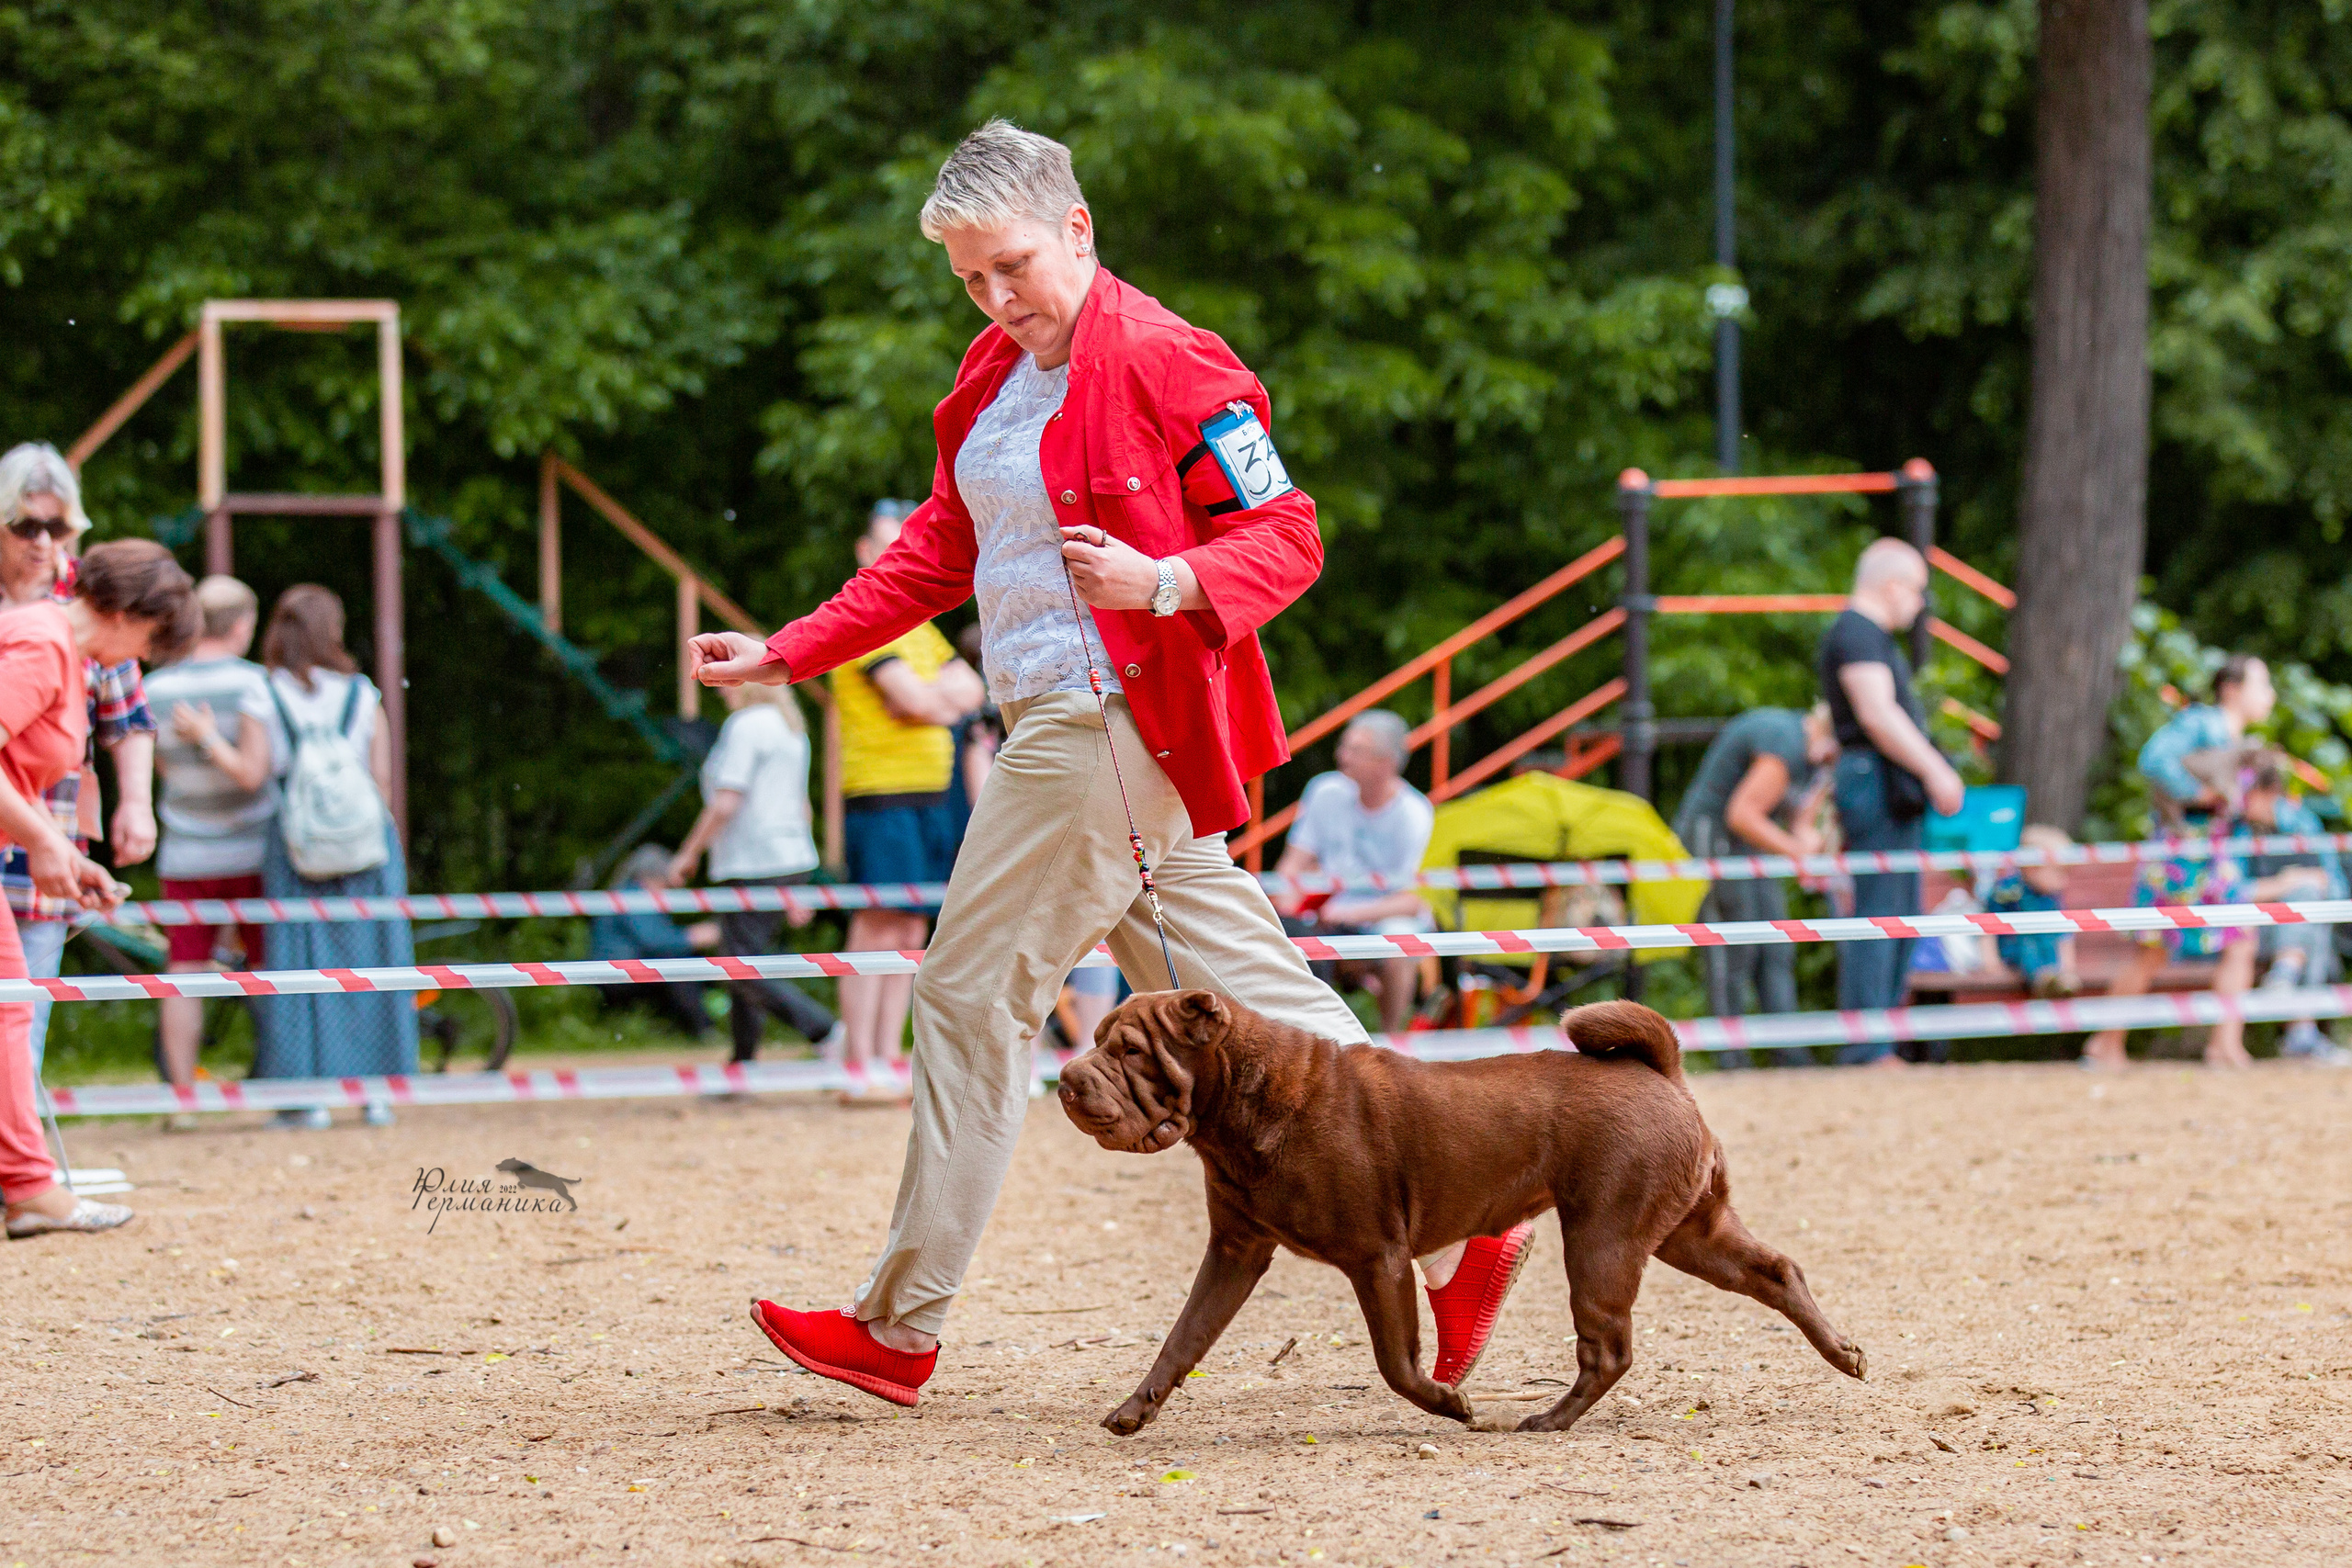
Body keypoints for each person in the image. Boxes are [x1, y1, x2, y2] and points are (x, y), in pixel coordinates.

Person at [689, 120, 1532, 1404]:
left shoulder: (1169, 356)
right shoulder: (992, 370)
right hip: (1076, 728)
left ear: (1077, 230)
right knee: (1255, 1011)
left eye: (1013, 265)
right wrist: (790, 650)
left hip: (1103, 723)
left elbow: (1289, 534)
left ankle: (900, 1326)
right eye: (971, 278)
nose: (996, 297)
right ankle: (1468, 1231)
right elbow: (939, 548)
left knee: (967, 993)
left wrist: (1167, 580)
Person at [0, 538, 195, 1235]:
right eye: (149, 638)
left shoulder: (48, 640)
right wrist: (46, 841)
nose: (142, 657)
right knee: (8, 1011)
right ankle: (29, 1186)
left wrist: (62, 854)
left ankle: (29, 1185)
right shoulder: (43, 643)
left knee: (10, 1010)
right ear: (123, 613)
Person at [0, 443, 159, 1077]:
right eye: (26, 525)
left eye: (58, 526)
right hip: (29, 821)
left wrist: (137, 803)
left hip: (51, 828)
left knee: (23, 1023)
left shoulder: (91, 599)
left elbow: (129, 716)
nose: (43, 541)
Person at [829, 500, 986, 1079]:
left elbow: (971, 691)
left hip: (931, 794)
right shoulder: (861, 611)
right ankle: (858, 1062)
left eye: (906, 543)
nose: (899, 554)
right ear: (864, 551)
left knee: (914, 926)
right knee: (876, 923)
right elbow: (928, 699)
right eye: (887, 543)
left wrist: (924, 703)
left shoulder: (916, 622)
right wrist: (932, 701)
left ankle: (888, 1058)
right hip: (881, 794)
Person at [248, 585, 416, 1126]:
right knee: (376, 963)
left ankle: (307, 1097)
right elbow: (381, 780)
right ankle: (378, 1091)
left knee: (299, 967)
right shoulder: (361, 693)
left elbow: (253, 773)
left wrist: (206, 737)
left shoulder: (264, 693)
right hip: (366, 847)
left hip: (297, 846)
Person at [1817, 538, 1964, 1059]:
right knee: (1881, 912)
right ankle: (1867, 1049)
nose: (1919, 604)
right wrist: (1935, 769)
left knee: (1897, 910)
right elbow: (1877, 715)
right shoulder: (1857, 632)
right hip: (1875, 781)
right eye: (1918, 591)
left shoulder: (1862, 635)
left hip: (1881, 782)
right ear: (1892, 585)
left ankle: (1878, 1044)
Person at [143, 576, 278, 1090]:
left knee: (183, 974)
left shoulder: (157, 689)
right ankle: (285, 1086)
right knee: (268, 970)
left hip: (186, 852)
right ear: (242, 625)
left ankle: (183, 1095)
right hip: (253, 851)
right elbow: (258, 770)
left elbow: (162, 770)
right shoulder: (255, 684)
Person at [665, 681, 839, 1063]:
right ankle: (743, 1062)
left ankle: (824, 1030)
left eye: (728, 682)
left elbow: (726, 803)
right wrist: (801, 877)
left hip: (754, 860)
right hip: (789, 858)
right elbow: (800, 805)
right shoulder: (791, 726)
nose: (721, 691)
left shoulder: (746, 725)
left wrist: (688, 853)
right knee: (745, 959)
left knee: (737, 963)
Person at [1671, 703, 1838, 1055]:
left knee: (1777, 943)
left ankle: (1789, 1054)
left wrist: (1807, 840)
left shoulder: (1811, 759)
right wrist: (1797, 852)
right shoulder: (1785, 741)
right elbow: (1743, 814)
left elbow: (1796, 818)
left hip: (1747, 847)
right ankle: (1731, 1057)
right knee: (1734, 946)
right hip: (1713, 838)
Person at [1272, 710, 1437, 1034]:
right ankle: (1303, 1035)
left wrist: (1347, 913)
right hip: (1325, 911)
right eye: (1344, 746)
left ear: (1386, 763)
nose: (1342, 756)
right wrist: (1285, 896)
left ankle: (1391, 1039)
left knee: (1399, 940)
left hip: (1381, 914)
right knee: (1283, 928)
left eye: (1356, 750)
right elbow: (1293, 863)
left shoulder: (1415, 813)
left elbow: (1413, 899)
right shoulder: (1325, 791)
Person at [2241, 771, 2351, 1064]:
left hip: (2290, 928)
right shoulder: (2235, 830)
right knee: (2309, 917)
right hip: (2248, 929)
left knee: (2309, 906)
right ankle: (2301, 1031)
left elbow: (2336, 889)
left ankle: (2284, 977)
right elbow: (2227, 892)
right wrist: (2283, 884)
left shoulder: (2302, 822)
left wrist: (2306, 882)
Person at [590, 845, 724, 1040]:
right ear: (655, 877)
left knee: (684, 960)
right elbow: (655, 942)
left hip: (620, 971)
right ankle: (704, 1030)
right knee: (678, 963)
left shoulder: (626, 891)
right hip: (618, 977)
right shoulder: (634, 896)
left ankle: (690, 1028)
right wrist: (694, 936)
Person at [1984, 823, 2081, 997]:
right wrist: (1991, 962)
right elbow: (1987, 926)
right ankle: (2044, 980)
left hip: (2046, 947)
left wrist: (2068, 967)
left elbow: (2064, 934)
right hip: (2014, 950)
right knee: (2027, 943)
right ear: (2031, 868)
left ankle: (2058, 978)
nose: (2064, 881)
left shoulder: (2052, 897)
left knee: (2047, 941)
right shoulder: (2008, 891)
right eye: (2059, 873)